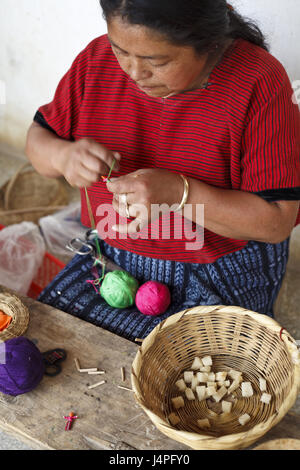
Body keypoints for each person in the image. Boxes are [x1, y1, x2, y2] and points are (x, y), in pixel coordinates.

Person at [26, 0, 300, 342]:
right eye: (120, 50)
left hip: (218, 266)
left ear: (206, 40)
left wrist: (178, 193)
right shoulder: (96, 61)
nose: (133, 72)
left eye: (158, 61)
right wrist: (62, 156)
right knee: (50, 343)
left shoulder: (258, 81)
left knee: (198, 378)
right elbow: (38, 143)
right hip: (116, 259)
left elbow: (276, 221)